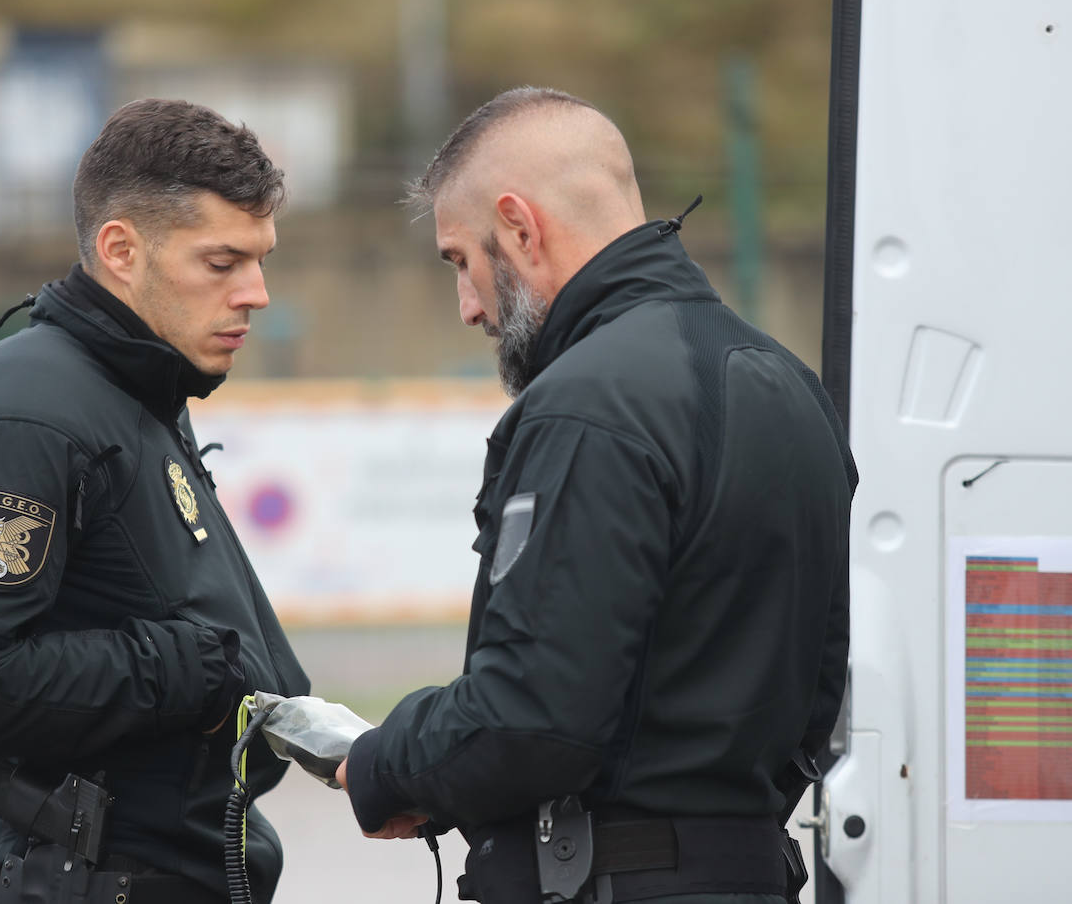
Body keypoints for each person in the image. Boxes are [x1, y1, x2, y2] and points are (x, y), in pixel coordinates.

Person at [336, 87, 857, 904]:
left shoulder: (587, 404)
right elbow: (820, 690)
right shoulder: (792, 388)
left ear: (519, 227)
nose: (468, 306)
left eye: (461, 263)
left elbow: (532, 717)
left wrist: (383, 761)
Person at [0, 99, 310, 904]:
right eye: (222, 263)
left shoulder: (140, 388)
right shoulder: (24, 416)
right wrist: (188, 671)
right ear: (120, 250)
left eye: (261, 259)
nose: (256, 292)